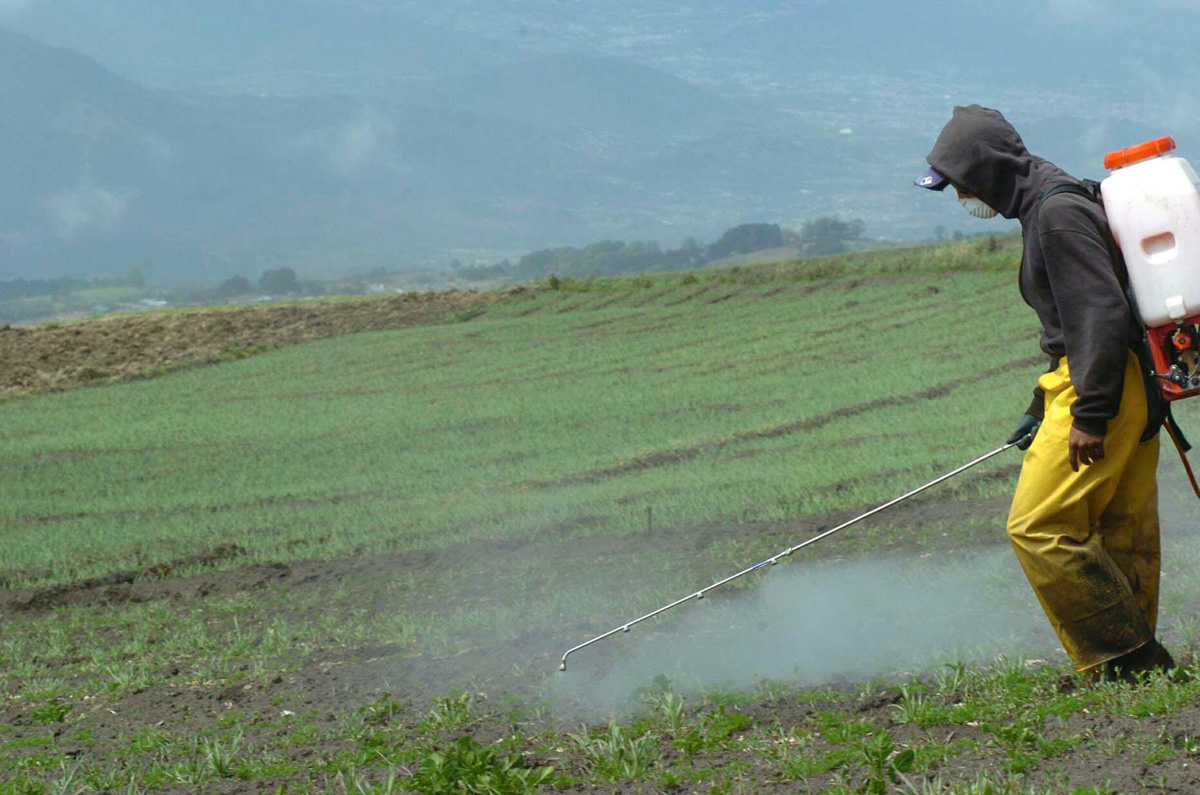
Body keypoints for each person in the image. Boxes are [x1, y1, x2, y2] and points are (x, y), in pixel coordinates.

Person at [915, 105, 1175, 681]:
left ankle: (1127, 658)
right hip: (1124, 379)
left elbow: (1100, 315)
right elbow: (1081, 322)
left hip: (1104, 384)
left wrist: (1090, 414)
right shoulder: (1053, 199)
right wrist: (1042, 405)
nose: (961, 196)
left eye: (959, 183)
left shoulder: (1055, 214)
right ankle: (1137, 669)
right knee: (1121, 525)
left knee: (1038, 527)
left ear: (985, 169)